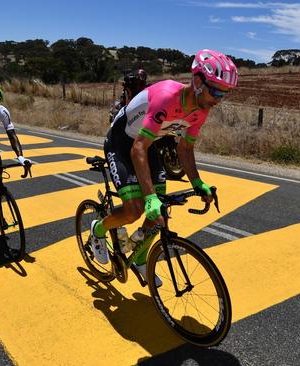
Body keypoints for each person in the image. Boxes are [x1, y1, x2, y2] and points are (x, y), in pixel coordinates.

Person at [90, 49, 238, 286]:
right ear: (198, 81)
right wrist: (149, 198)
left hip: (149, 144)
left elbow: (185, 149)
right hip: (122, 142)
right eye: (217, 90)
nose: (219, 99)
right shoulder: (167, 97)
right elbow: (137, 148)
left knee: (160, 211)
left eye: (225, 93)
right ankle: (98, 229)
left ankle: (139, 257)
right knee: (135, 209)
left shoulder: (201, 110)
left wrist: (198, 184)